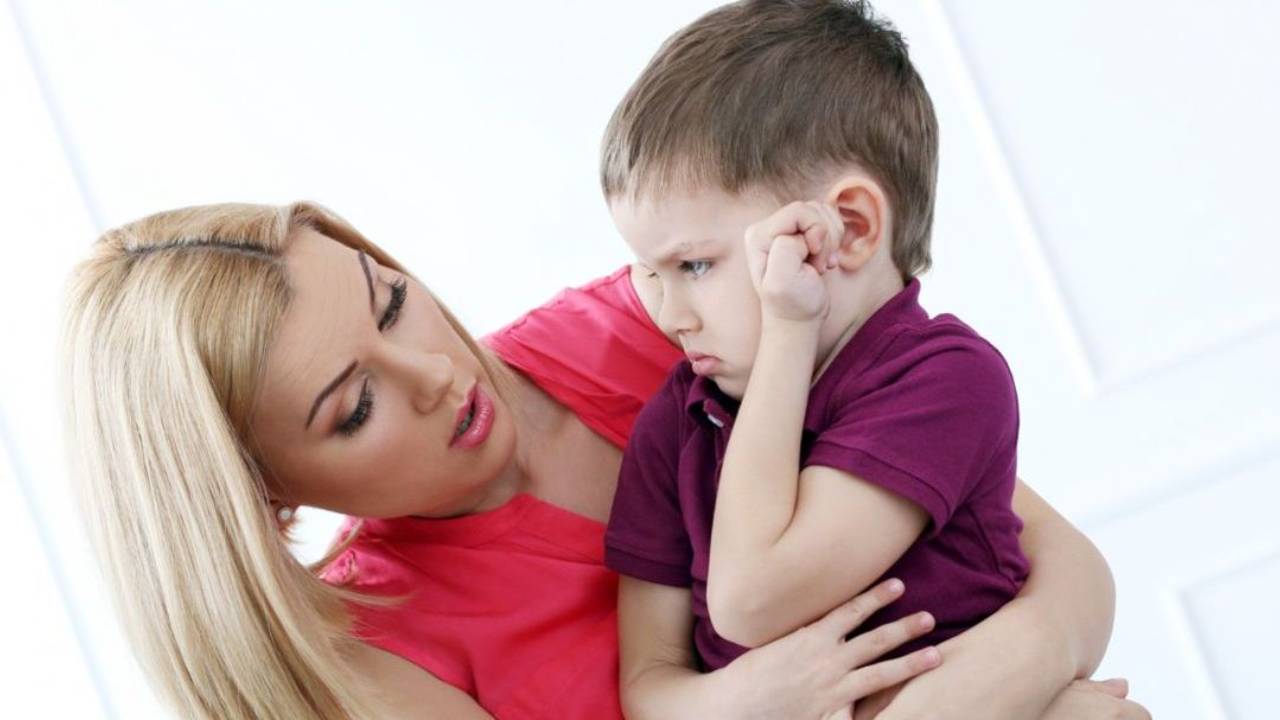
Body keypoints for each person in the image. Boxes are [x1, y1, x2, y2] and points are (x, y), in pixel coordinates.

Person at [61, 200, 1148, 719]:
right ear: (263, 496)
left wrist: (1030, 683)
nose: (436, 372)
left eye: (392, 300)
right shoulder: (371, 661)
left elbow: (1054, 558)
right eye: (353, 408)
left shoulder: (665, 324)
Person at [601, 2, 1050, 714]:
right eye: (649, 275)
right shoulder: (679, 423)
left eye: (693, 265)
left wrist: (787, 332)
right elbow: (650, 689)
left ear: (848, 228)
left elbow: (752, 599)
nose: (670, 316)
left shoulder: (949, 380)